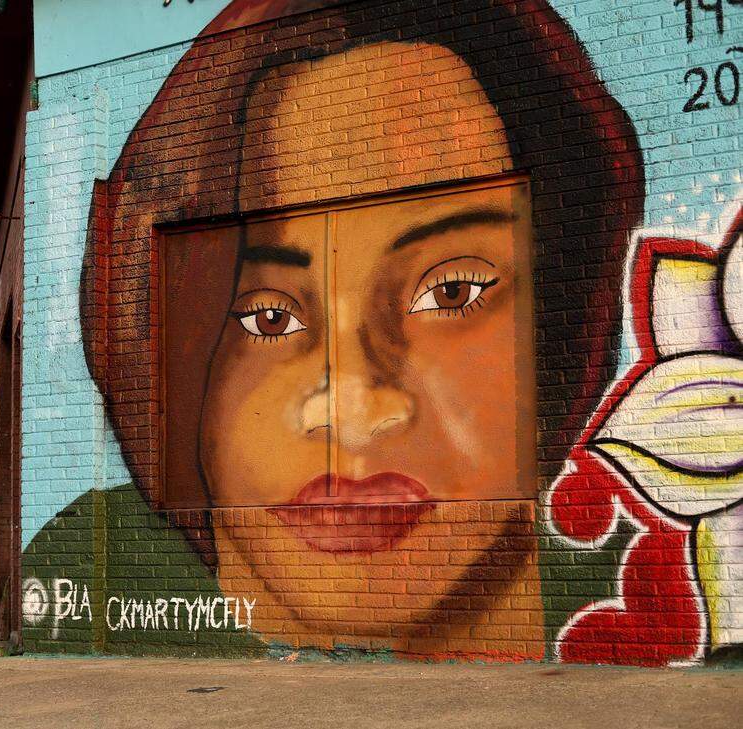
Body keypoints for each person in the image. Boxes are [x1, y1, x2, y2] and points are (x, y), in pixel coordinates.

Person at [77, 0, 644, 658]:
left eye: (451, 291)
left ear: (572, 317)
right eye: (268, 315)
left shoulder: (677, 556)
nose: (352, 402)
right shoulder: (81, 541)